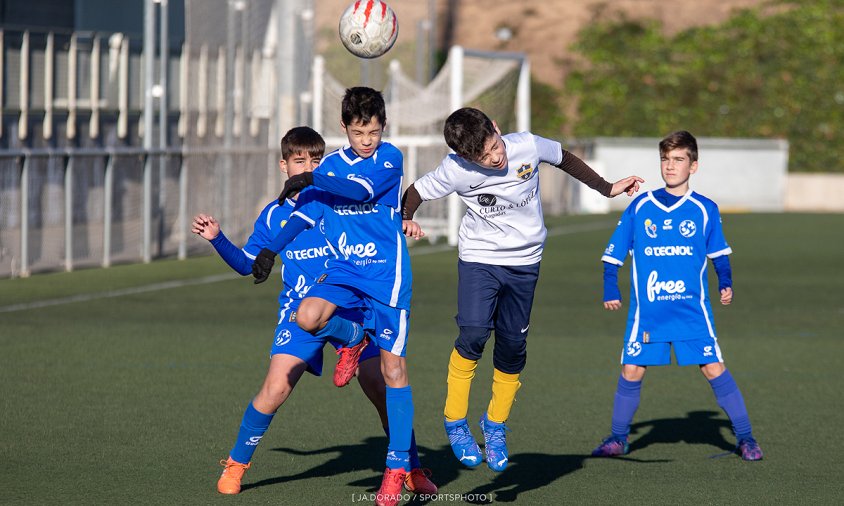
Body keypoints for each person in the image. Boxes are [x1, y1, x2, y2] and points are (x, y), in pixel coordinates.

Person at [399, 107, 644, 472]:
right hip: (480, 259)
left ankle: (495, 425)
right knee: (474, 334)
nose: (495, 158)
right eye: (483, 157)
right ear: (466, 157)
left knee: (513, 346)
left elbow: (564, 158)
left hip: (526, 261)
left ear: (497, 129)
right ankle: (455, 421)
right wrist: (406, 217)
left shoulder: (527, 145)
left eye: (495, 146)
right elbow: (416, 191)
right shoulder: (456, 170)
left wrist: (608, 189)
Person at [192, 126, 434, 497]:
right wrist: (218, 239)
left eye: (315, 160)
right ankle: (236, 465)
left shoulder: (334, 201)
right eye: (299, 161)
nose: (307, 166)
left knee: (381, 386)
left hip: (351, 306)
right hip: (301, 310)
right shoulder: (274, 216)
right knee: (274, 389)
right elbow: (248, 264)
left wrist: (402, 221)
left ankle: (410, 468)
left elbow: (375, 221)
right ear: (284, 165)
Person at [251, 88, 432, 506]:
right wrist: (269, 249)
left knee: (392, 373)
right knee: (307, 316)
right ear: (345, 129)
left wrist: (312, 177)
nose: (366, 139)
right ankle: (351, 338)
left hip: (386, 278)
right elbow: (305, 213)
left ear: (382, 127)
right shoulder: (332, 164)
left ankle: (397, 470)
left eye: (372, 130)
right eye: (357, 132)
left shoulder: (390, 159)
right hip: (345, 271)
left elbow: (361, 191)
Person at [591, 130, 763, 461]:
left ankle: (745, 438)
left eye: (679, 160)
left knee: (714, 367)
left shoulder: (704, 209)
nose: (670, 166)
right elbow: (614, 253)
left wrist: (724, 281)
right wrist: (610, 286)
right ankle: (617, 438)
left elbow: (719, 253)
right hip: (649, 312)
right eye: (665, 159)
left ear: (693, 166)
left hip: (691, 311)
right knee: (631, 370)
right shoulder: (641, 206)